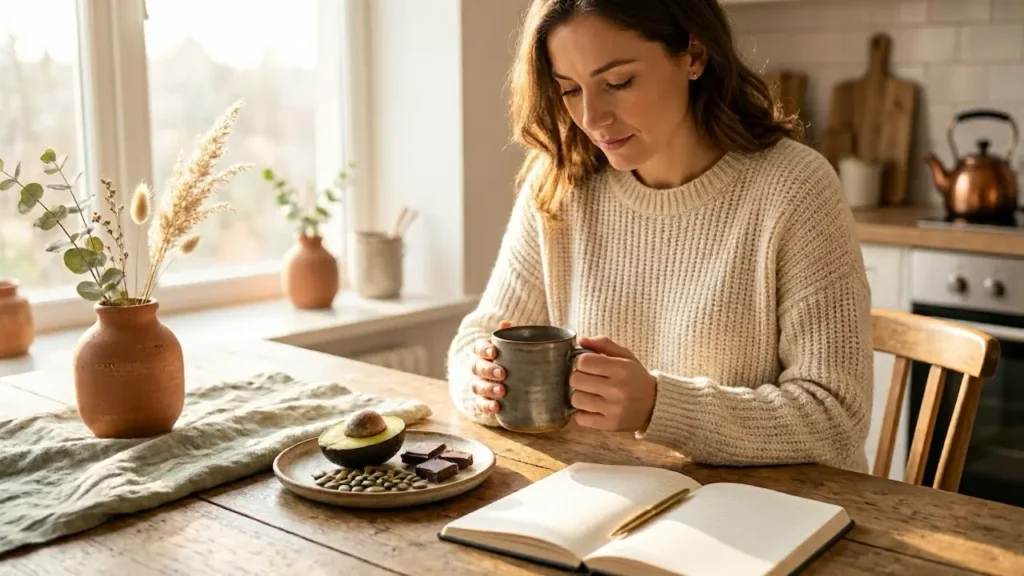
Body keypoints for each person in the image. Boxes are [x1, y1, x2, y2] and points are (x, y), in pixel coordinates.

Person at [446, 0, 873, 473]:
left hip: (776, 513)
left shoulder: (794, 187)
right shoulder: (561, 183)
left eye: (618, 83)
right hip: (614, 497)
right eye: (569, 90)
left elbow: (836, 417)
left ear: (692, 55)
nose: (592, 118)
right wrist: (485, 381)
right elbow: (476, 340)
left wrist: (659, 406)